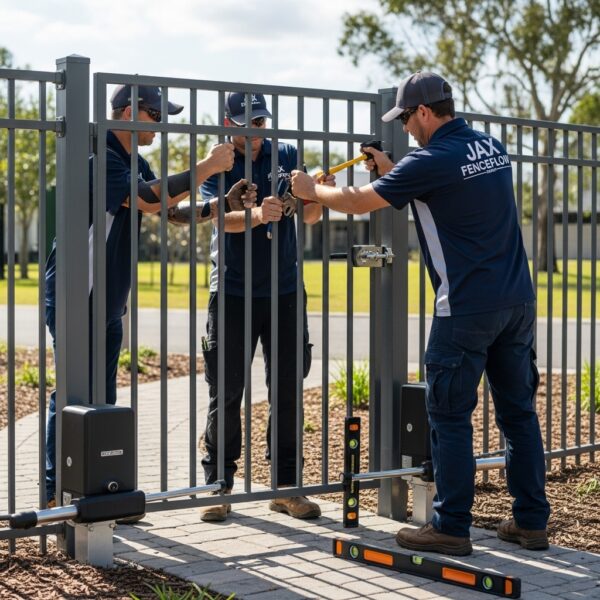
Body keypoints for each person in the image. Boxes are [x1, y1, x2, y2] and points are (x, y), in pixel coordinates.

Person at [291, 71, 550, 556]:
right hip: (517, 300)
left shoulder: (432, 159)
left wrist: (312, 191)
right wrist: (392, 168)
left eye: (408, 118)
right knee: (518, 414)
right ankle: (532, 522)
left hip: (465, 309)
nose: (406, 127)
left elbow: (360, 202)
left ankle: (451, 527)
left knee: (449, 414)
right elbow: (440, 187)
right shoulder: (488, 147)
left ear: (426, 112)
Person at [43, 84, 254, 509]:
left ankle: (96, 492)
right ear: (128, 113)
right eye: (157, 115)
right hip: (74, 295)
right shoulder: (97, 157)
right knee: (70, 396)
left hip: (105, 299)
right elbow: (142, 199)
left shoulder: (130, 159)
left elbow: (166, 210)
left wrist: (217, 206)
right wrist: (206, 168)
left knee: (101, 398)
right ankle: (54, 494)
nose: (162, 125)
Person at [198, 91, 333, 522]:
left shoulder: (288, 152)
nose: (256, 131)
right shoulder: (218, 161)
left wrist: (314, 196)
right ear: (228, 123)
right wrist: (257, 215)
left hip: (285, 289)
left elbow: (310, 217)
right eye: (248, 124)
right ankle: (218, 486)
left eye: (261, 122)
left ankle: (287, 488)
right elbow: (216, 218)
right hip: (233, 290)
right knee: (227, 391)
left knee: (288, 388)